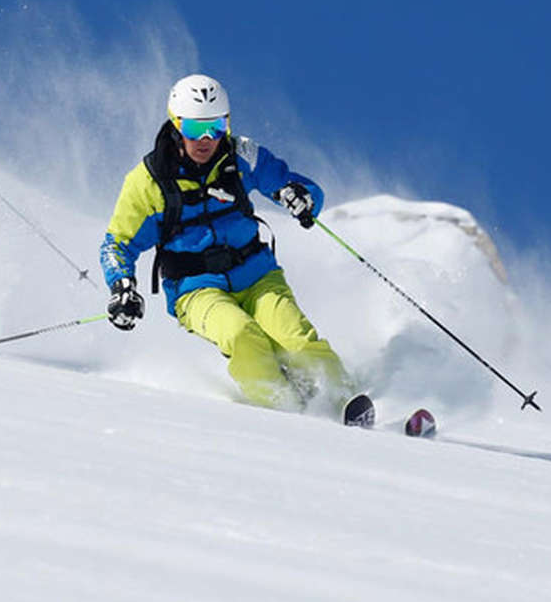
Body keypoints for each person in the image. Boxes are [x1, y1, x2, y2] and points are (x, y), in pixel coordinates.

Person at [99, 73, 366, 419]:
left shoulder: (242, 156)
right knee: (242, 335)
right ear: (176, 124)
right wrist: (122, 287)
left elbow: (295, 185)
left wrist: (300, 197)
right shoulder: (148, 182)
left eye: (216, 126)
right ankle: (286, 411)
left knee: (296, 340)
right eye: (195, 129)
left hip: (256, 275)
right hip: (195, 289)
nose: (207, 139)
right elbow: (117, 244)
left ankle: (345, 402)